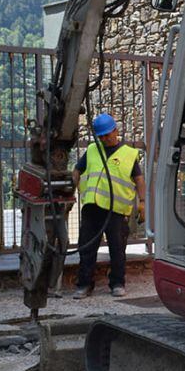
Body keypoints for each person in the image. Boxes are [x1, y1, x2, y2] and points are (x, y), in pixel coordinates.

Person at [71, 113, 146, 298]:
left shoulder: (129, 154)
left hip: (116, 211)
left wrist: (142, 202)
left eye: (107, 134)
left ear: (115, 131)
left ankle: (117, 284)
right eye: (101, 136)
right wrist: (72, 191)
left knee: (117, 248)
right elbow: (77, 170)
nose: (104, 139)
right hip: (92, 207)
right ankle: (84, 285)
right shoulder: (92, 150)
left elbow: (139, 179)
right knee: (87, 248)